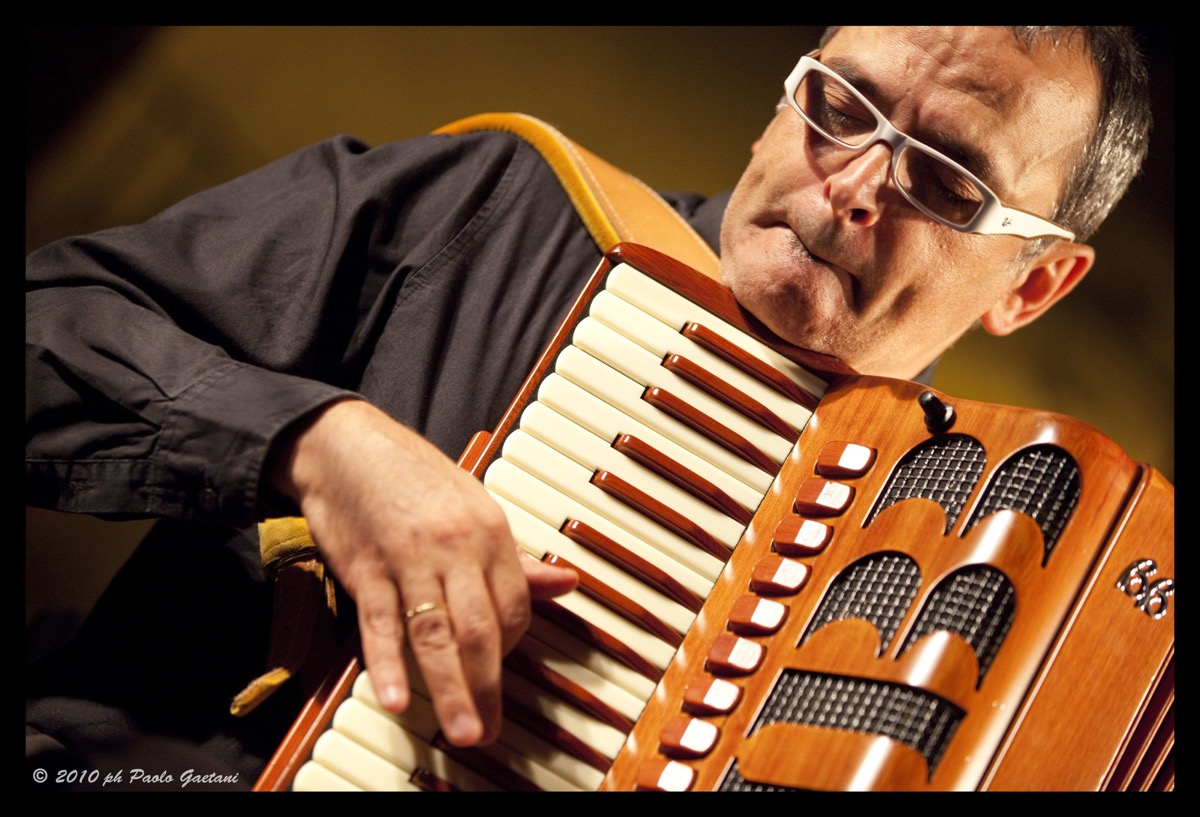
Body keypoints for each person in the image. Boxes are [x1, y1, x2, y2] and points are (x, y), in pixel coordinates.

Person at [25, 26, 1152, 790]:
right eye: (838, 105)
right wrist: (313, 443)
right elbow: (49, 321)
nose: (853, 185)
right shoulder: (495, 205)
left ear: (1033, 285)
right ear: (780, 105)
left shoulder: (958, 580)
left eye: (947, 180)